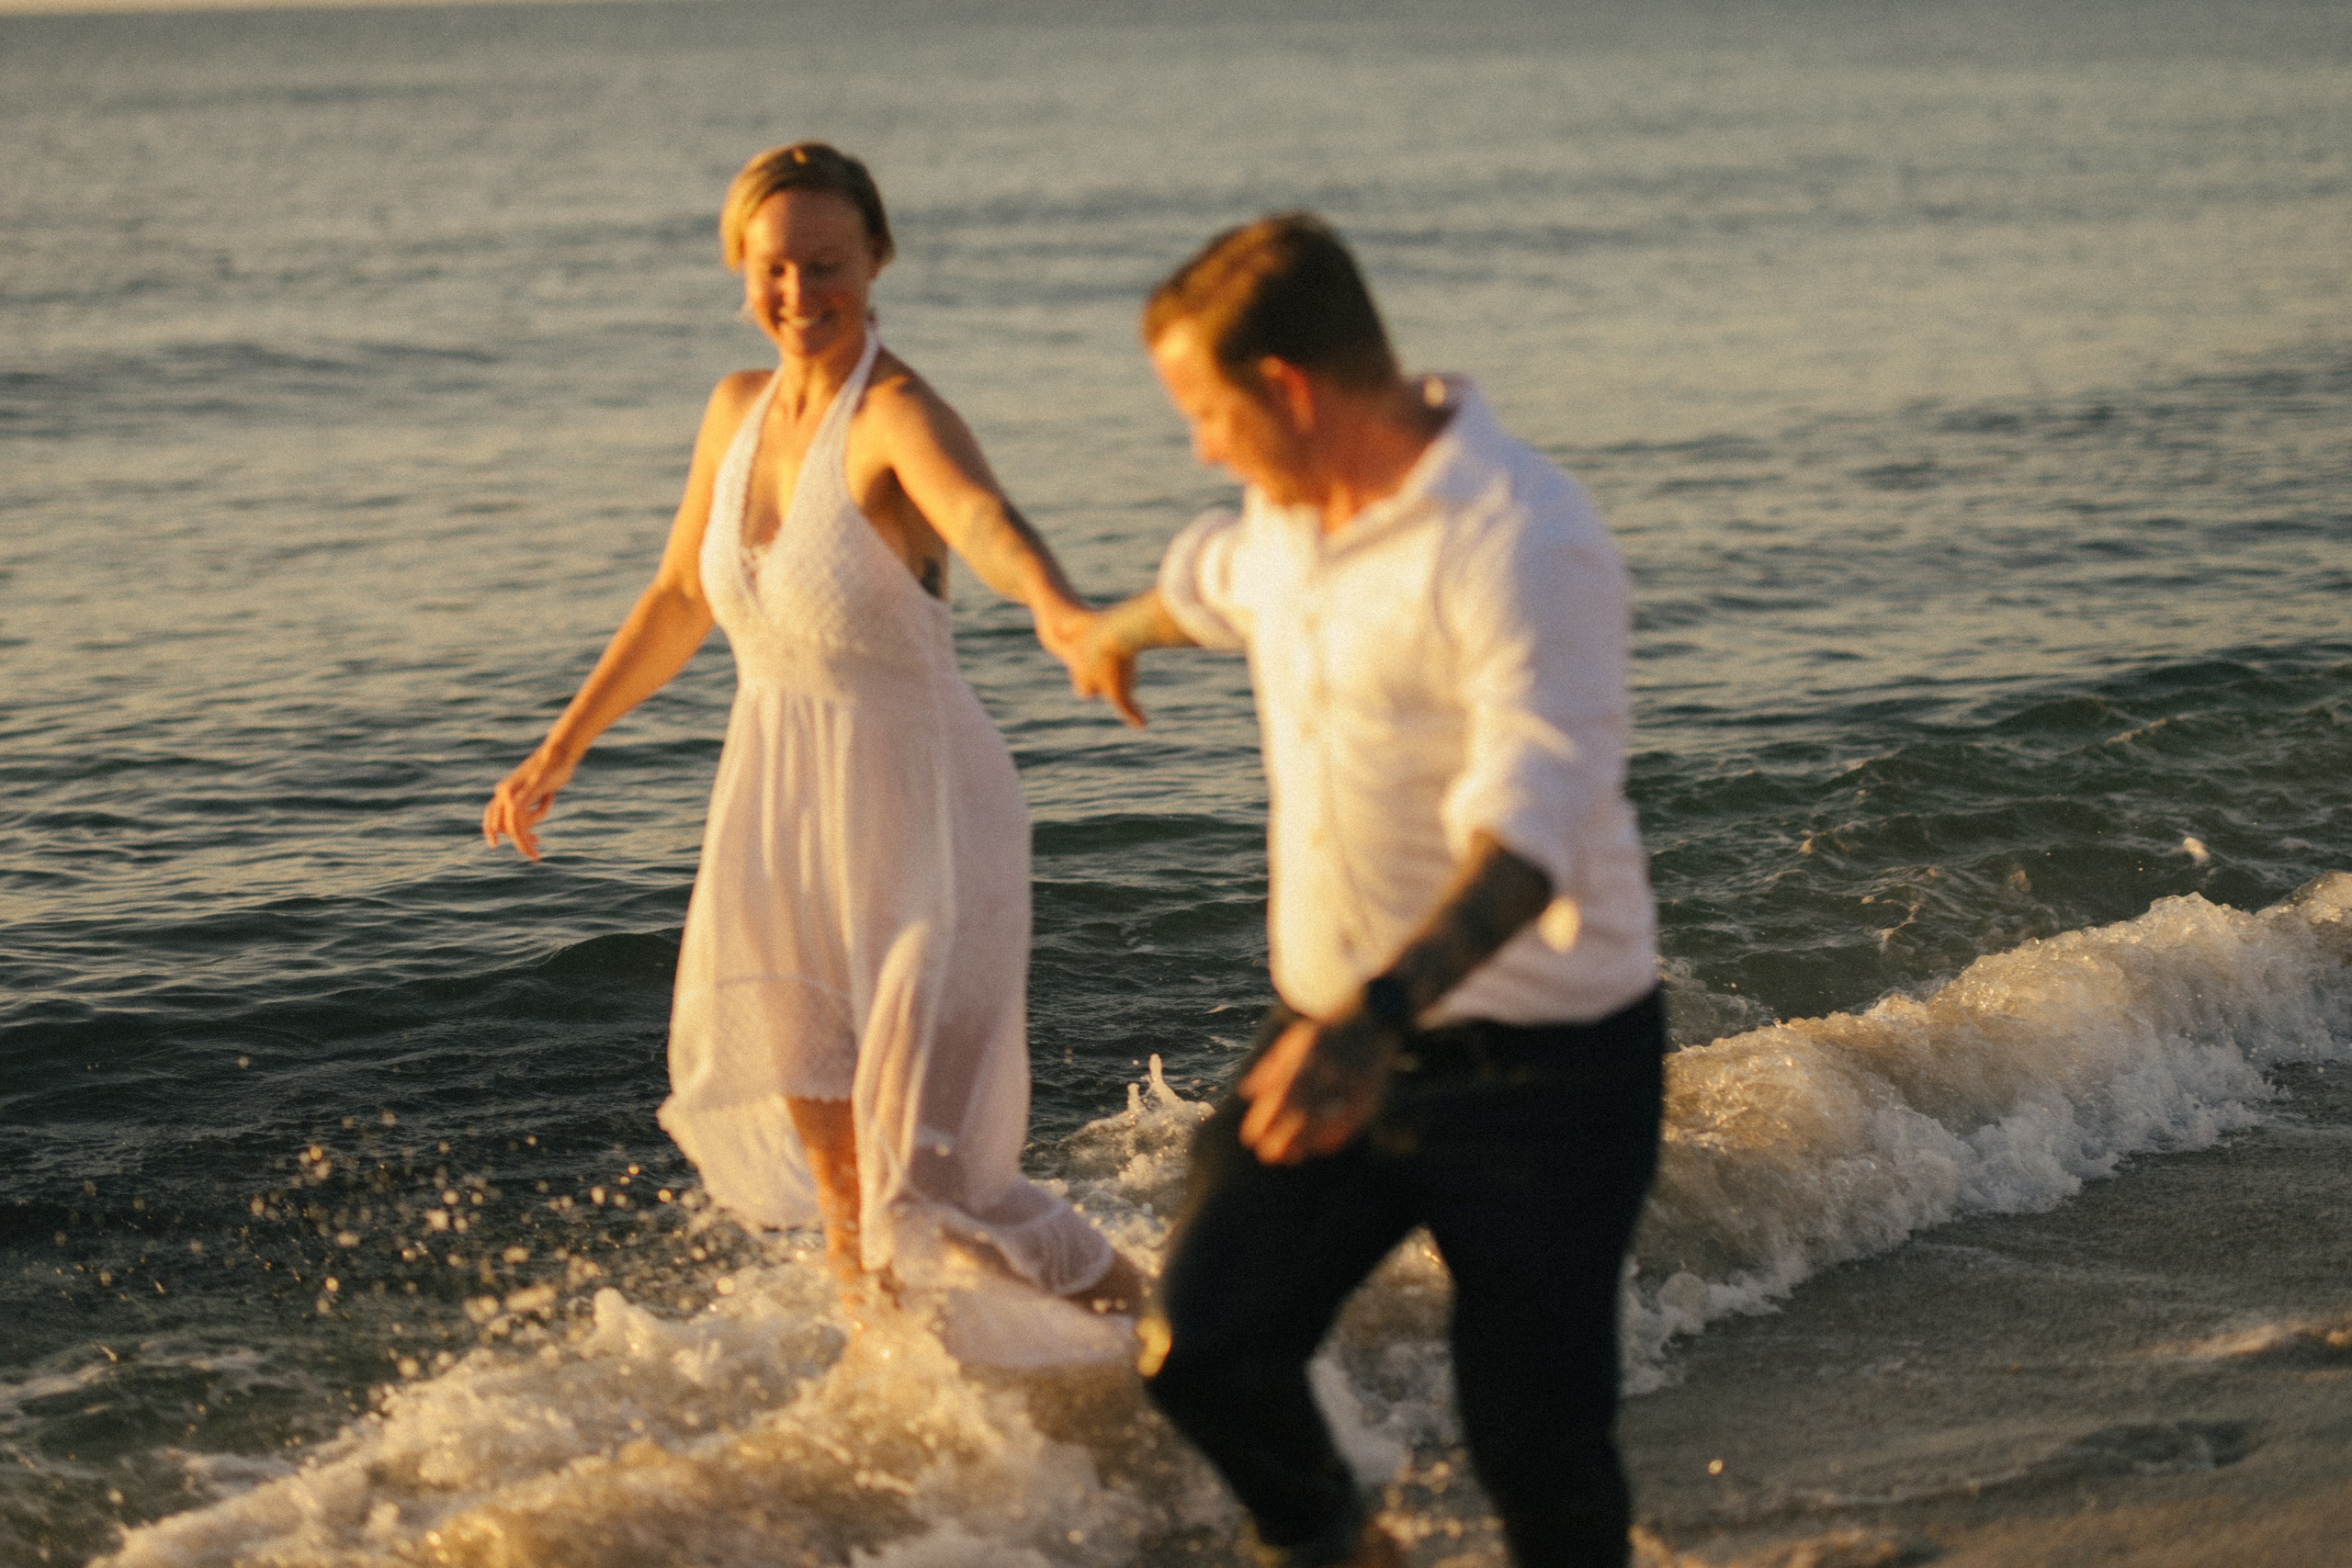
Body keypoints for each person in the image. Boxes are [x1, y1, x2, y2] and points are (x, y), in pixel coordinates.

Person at [1065, 214, 1665, 1567]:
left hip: (1549, 1078)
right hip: (1350, 1043)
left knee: (1539, 1447)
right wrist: (1116, 631)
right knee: (1202, 1349)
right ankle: (1345, 1544)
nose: (1202, 448)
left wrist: (1370, 1020)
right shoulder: (1288, 520)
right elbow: (1210, 587)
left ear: (1287, 388)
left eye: (1206, 413)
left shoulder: (1521, 539)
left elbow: (1531, 833)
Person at [482, 142, 1142, 1323]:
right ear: (740, 268)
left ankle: (1186, 1352)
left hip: (924, 822)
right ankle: (883, 1400)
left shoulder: (895, 414)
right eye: (772, 268)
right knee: (844, 1194)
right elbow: (683, 593)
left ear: (878, 259)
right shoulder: (734, 409)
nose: (798, 294)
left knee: (937, 1187)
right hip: (781, 817)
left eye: (825, 265)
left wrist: (1059, 609)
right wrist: (563, 744)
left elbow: (981, 518)